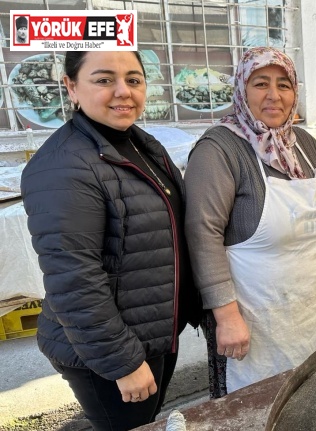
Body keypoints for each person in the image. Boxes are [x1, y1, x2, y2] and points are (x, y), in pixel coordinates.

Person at [21, 51, 202, 430]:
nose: (123, 91)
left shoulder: (136, 142)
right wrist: (123, 362)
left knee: (145, 421)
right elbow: (73, 278)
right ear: (71, 87)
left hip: (149, 331)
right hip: (108, 351)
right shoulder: (65, 165)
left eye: (134, 80)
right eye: (104, 80)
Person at [185, 47, 316, 396]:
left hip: (313, 308)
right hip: (255, 318)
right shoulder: (219, 149)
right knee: (257, 404)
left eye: (284, 84)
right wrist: (226, 317)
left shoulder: (304, 144)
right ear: (241, 88)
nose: (274, 95)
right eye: (260, 84)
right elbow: (202, 234)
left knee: (310, 392)